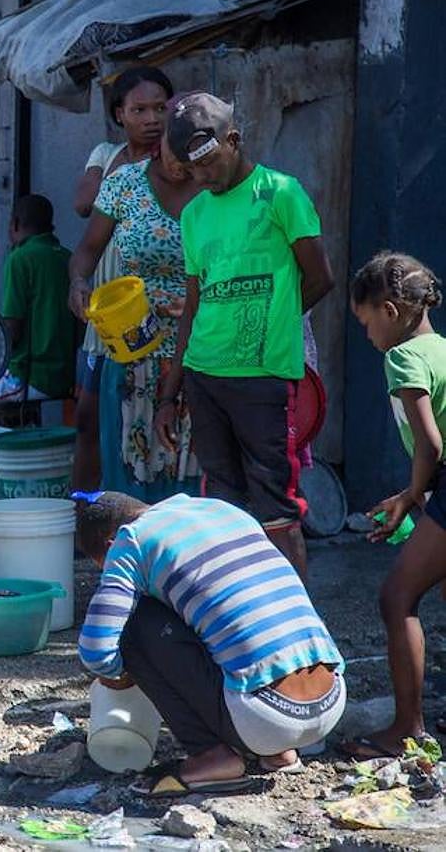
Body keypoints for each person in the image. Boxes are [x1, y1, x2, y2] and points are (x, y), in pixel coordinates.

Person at [156, 92, 334, 579]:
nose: (202, 177)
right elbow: (192, 306)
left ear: (233, 140)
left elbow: (320, 278)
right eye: (192, 171)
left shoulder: (280, 193)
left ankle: (296, 630)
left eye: (209, 163)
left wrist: (274, 320)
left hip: (264, 378)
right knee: (224, 508)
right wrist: (168, 397)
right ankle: (238, 613)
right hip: (204, 376)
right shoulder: (194, 215)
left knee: (276, 507)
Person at [77, 492, 345, 797]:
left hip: (267, 717)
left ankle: (211, 757)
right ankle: (279, 753)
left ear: (109, 547)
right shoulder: (220, 508)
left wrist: (123, 676)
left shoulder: (130, 540)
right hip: (330, 698)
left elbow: (96, 651)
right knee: (213, 618)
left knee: (135, 623)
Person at [343, 253, 446, 759]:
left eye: (366, 323)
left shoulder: (402, 358)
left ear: (389, 310)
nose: (367, 336)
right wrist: (416, 493)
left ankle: (407, 730)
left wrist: (410, 496)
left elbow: (430, 445)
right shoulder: (442, 349)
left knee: (396, 598)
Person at [69, 136, 202, 502]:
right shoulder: (124, 183)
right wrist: (78, 282)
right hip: (135, 351)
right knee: (130, 479)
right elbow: (87, 251)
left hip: (201, 354)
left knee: (192, 479)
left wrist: (197, 304)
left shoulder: (214, 188)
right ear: (162, 143)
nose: (187, 163)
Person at [71, 67, 175, 492]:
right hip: (115, 313)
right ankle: (90, 515)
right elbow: (83, 207)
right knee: (96, 418)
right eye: (139, 110)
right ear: (120, 115)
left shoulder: (196, 175)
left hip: (178, 329)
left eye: (160, 108)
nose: (151, 119)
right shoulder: (111, 162)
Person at [0, 194, 77, 410]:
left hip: (27, 379)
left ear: (14, 224)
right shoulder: (68, 258)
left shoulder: (20, 258)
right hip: (64, 378)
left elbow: (12, 330)